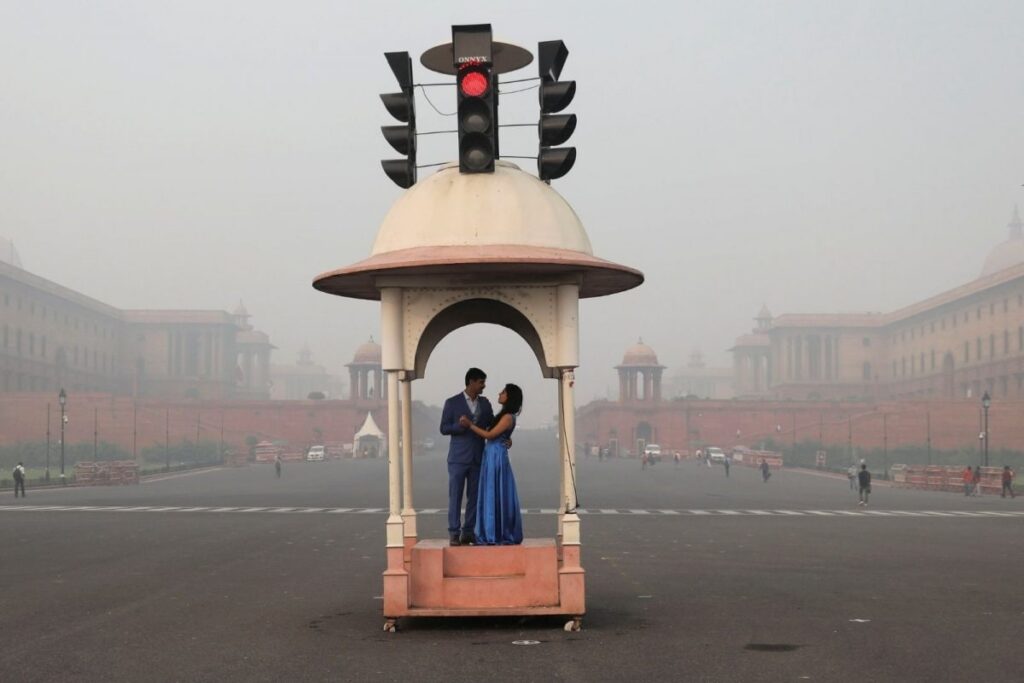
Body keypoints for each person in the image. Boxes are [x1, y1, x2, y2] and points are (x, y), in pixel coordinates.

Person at [461, 383, 524, 546]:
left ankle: (493, 533)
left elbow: (490, 435)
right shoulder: (505, 415)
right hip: (493, 455)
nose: (500, 393)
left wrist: (470, 425)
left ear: (509, 396)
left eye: (503, 392)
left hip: (495, 457)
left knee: (492, 491)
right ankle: (493, 531)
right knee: (494, 491)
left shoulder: (508, 416)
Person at [440, 368, 494, 546]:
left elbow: (492, 426)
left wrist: (505, 438)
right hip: (457, 458)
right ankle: (454, 532)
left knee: (474, 496)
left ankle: (468, 532)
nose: (483, 386)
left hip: (478, 458)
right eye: (481, 382)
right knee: (455, 496)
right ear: (471, 382)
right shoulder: (452, 402)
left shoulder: (485, 404)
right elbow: (444, 428)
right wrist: (460, 426)